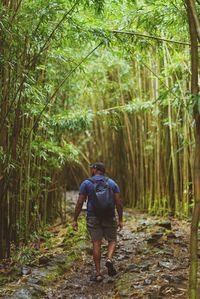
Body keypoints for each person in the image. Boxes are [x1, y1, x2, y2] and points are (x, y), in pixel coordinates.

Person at [72, 162, 123, 282]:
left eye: (92, 168)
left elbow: (80, 203)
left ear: (95, 169)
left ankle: (98, 273)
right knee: (112, 240)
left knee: (96, 243)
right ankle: (109, 259)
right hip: (109, 216)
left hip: (92, 216)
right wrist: (120, 219)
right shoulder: (112, 183)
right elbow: (118, 203)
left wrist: (75, 219)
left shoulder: (86, 183)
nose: (91, 170)